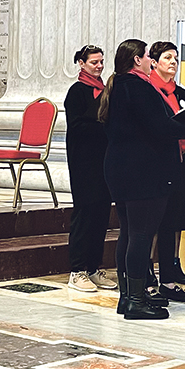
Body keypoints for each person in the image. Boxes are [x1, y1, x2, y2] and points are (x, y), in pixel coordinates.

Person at [98, 39, 185, 319]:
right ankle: (135, 301)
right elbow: (160, 126)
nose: (150, 61)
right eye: (146, 56)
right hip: (142, 172)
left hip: (123, 169)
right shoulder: (138, 87)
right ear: (137, 60)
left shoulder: (118, 86)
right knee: (141, 235)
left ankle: (128, 297)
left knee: (129, 233)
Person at [65, 45, 117, 293]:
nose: (99, 66)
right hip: (83, 162)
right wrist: (105, 126)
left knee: (101, 215)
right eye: (94, 62)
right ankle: (77, 270)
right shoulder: (77, 92)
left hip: (103, 160)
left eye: (101, 62)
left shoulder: (106, 90)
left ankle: (94, 268)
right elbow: (77, 127)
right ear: (81, 63)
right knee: (85, 215)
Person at [148, 41, 185, 302]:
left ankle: (168, 279)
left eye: (175, 58)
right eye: (167, 57)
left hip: (181, 161)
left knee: (171, 222)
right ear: (154, 62)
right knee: (152, 223)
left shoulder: (183, 94)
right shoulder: (149, 91)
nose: (173, 62)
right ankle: (146, 277)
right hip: (156, 165)